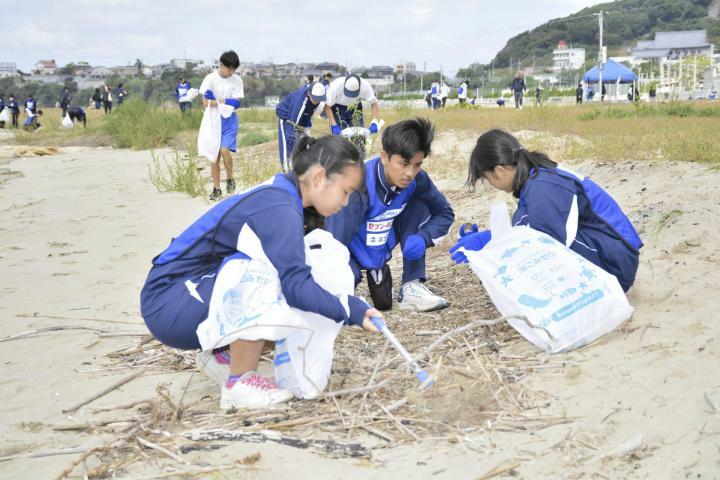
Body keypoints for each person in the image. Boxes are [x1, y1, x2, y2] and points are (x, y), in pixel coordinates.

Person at [140, 134, 382, 409]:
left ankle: (223, 357)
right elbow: (295, 287)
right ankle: (239, 383)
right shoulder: (281, 208)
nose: (347, 202)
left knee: (294, 270)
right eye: (346, 191)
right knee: (264, 272)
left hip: (187, 295)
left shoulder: (287, 196)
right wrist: (348, 310)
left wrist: (350, 305)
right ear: (318, 178)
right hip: (170, 300)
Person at [449, 129, 642, 292]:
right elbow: (529, 226)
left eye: (486, 178)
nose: (491, 184)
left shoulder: (542, 184)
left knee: (531, 252)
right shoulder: (535, 179)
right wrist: (491, 241)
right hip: (608, 250)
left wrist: (492, 240)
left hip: (615, 264)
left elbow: (543, 240)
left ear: (499, 171)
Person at [325, 118, 454, 312]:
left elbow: (445, 213)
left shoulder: (417, 180)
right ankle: (359, 273)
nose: (410, 173)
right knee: (335, 301)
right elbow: (333, 240)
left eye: (417, 165)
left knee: (421, 203)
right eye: (403, 164)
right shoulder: (357, 183)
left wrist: (423, 238)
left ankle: (412, 285)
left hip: (382, 239)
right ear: (384, 157)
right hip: (350, 247)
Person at [199, 50, 245, 201]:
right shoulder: (210, 79)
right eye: (229, 68)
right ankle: (217, 188)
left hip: (230, 120)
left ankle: (230, 177)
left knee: (224, 150)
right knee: (214, 156)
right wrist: (225, 101)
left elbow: (236, 103)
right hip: (213, 121)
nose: (232, 72)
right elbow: (205, 103)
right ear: (222, 65)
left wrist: (218, 100)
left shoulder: (237, 80)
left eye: (234, 69)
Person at [276, 82, 327, 172]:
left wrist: (306, 130)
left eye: (319, 99)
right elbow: (291, 128)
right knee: (288, 145)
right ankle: (287, 170)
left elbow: (307, 115)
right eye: (315, 99)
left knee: (304, 143)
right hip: (287, 118)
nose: (317, 101)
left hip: (299, 119)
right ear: (309, 94)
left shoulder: (317, 97)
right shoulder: (300, 102)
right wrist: (294, 144)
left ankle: (301, 168)